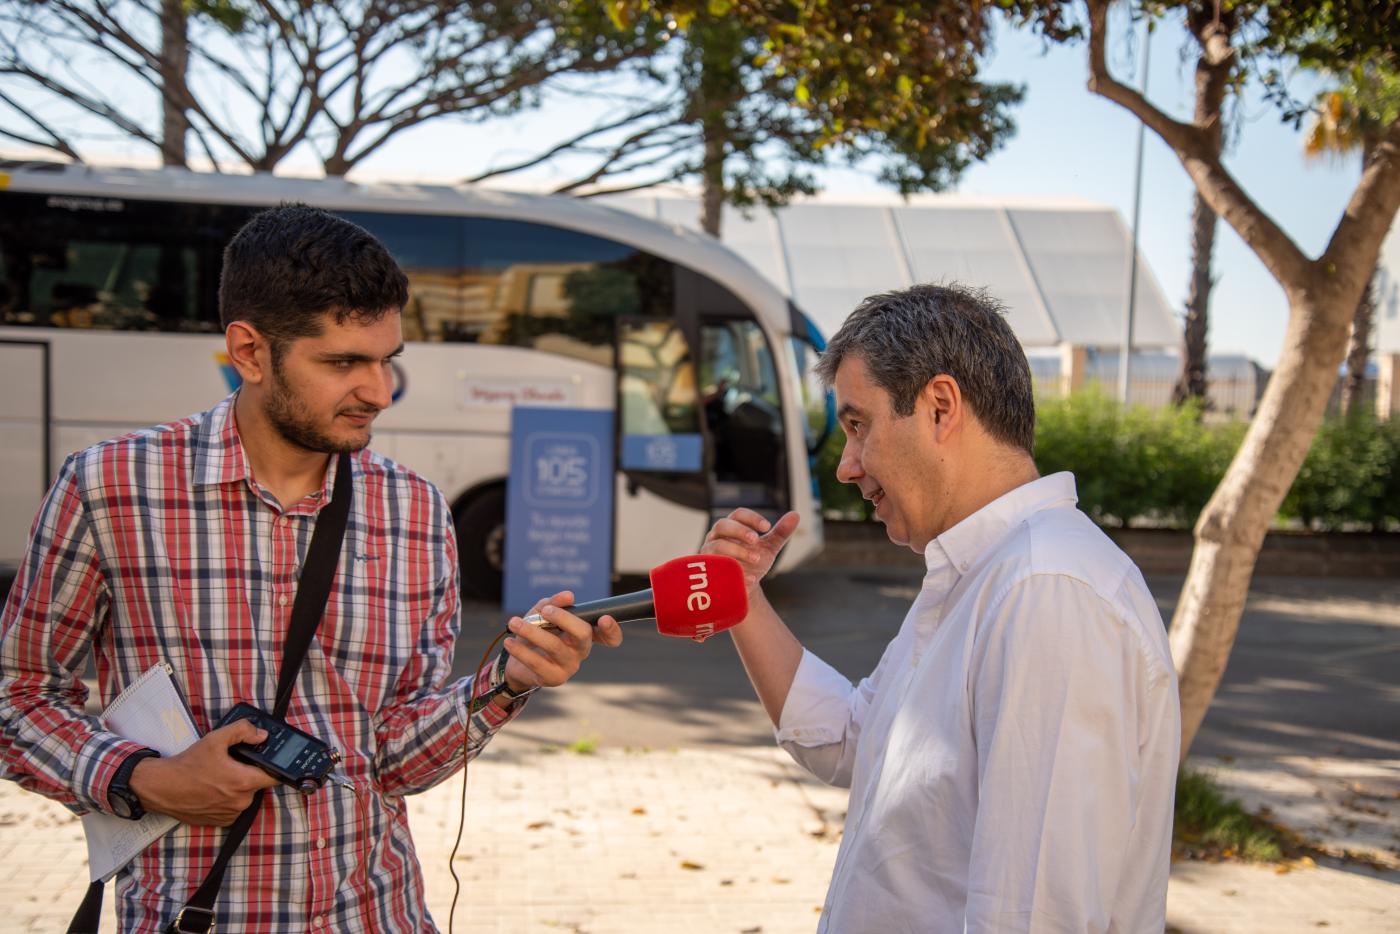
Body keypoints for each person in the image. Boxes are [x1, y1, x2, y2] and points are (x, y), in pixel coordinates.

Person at [0, 205, 620, 931]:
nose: (380, 390)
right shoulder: (109, 488)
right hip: (194, 917)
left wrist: (508, 682)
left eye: (388, 359)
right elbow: (18, 697)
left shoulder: (415, 510)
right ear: (251, 352)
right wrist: (145, 779)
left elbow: (392, 762)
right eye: (343, 362)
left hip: (380, 914)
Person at [703, 283, 1180, 932]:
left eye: (857, 425)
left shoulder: (1044, 589)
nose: (846, 466)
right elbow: (853, 742)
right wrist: (741, 599)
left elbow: (1032, 913)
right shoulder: (982, 575)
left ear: (939, 407)